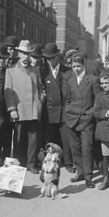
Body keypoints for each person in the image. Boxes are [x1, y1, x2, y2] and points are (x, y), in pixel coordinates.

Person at [4, 39, 45, 174]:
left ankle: (31, 164)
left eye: (28, 54)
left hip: (33, 109)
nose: (26, 56)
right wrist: (12, 109)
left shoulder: (35, 70)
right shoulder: (11, 70)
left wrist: (41, 98)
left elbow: (40, 86)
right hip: (19, 110)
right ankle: (18, 163)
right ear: (19, 54)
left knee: (33, 139)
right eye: (23, 53)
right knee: (18, 139)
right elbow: (8, 91)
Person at [63, 54, 99, 188]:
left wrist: (90, 113)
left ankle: (88, 176)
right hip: (72, 118)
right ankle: (80, 172)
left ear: (84, 66)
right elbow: (67, 99)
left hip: (86, 119)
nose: (76, 69)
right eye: (73, 66)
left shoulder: (92, 80)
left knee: (87, 148)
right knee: (75, 148)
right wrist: (67, 111)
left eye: (78, 66)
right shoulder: (70, 81)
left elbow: (97, 100)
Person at [41, 43, 74, 173]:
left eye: (52, 58)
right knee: (48, 138)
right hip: (49, 111)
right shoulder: (43, 71)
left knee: (66, 139)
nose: (50, 61)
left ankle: (68, 162)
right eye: (47, 59)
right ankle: (46, 162)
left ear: (57, 57)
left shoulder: (67, 71)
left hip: (63, 111)